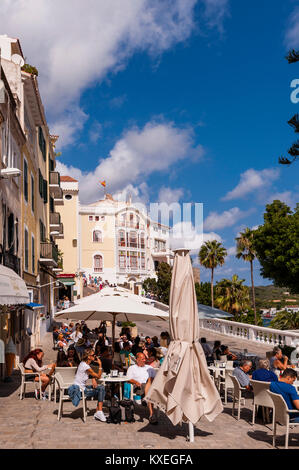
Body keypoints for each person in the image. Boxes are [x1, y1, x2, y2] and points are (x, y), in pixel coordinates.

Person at [71, 348, 106, 422]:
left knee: (100, 388)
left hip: (80, 387)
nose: (95, 357)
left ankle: (98, 412)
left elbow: (89, 374)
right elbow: (99, 376)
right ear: (89, 357)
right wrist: (100, 364)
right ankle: (99, 411)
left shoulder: (82, 364)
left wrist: (93, 378)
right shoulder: (86, 366)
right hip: (81, 391)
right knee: (101, 388)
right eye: (93, 355)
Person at [126, 352, 157, 423]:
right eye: (142, 359)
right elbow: (128, 379)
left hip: (150, 386)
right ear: (137, 360)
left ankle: (146, 399)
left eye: (145, 359)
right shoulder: (132, 368)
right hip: (138, 386)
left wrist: (151, 380)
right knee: (149, 390)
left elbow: (156, 378)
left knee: (149, 380)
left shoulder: (149, 368)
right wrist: (135, 382)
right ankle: (152, 415)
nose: (144, 360)